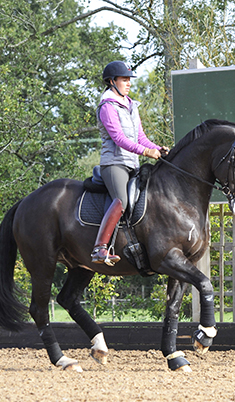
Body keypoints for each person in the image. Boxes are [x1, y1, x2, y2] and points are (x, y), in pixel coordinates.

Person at [91, 60, 167, 266]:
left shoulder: (131, 105)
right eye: (124, 79)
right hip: (114, 164)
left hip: (131, 163)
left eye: (129, 79)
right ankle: (99, 249)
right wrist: (145, 151)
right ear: (111, 81)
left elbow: (140, 137)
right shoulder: (107, 106)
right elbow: (120, 139)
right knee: (121, 200)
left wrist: (158, 148)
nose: (129, 83)